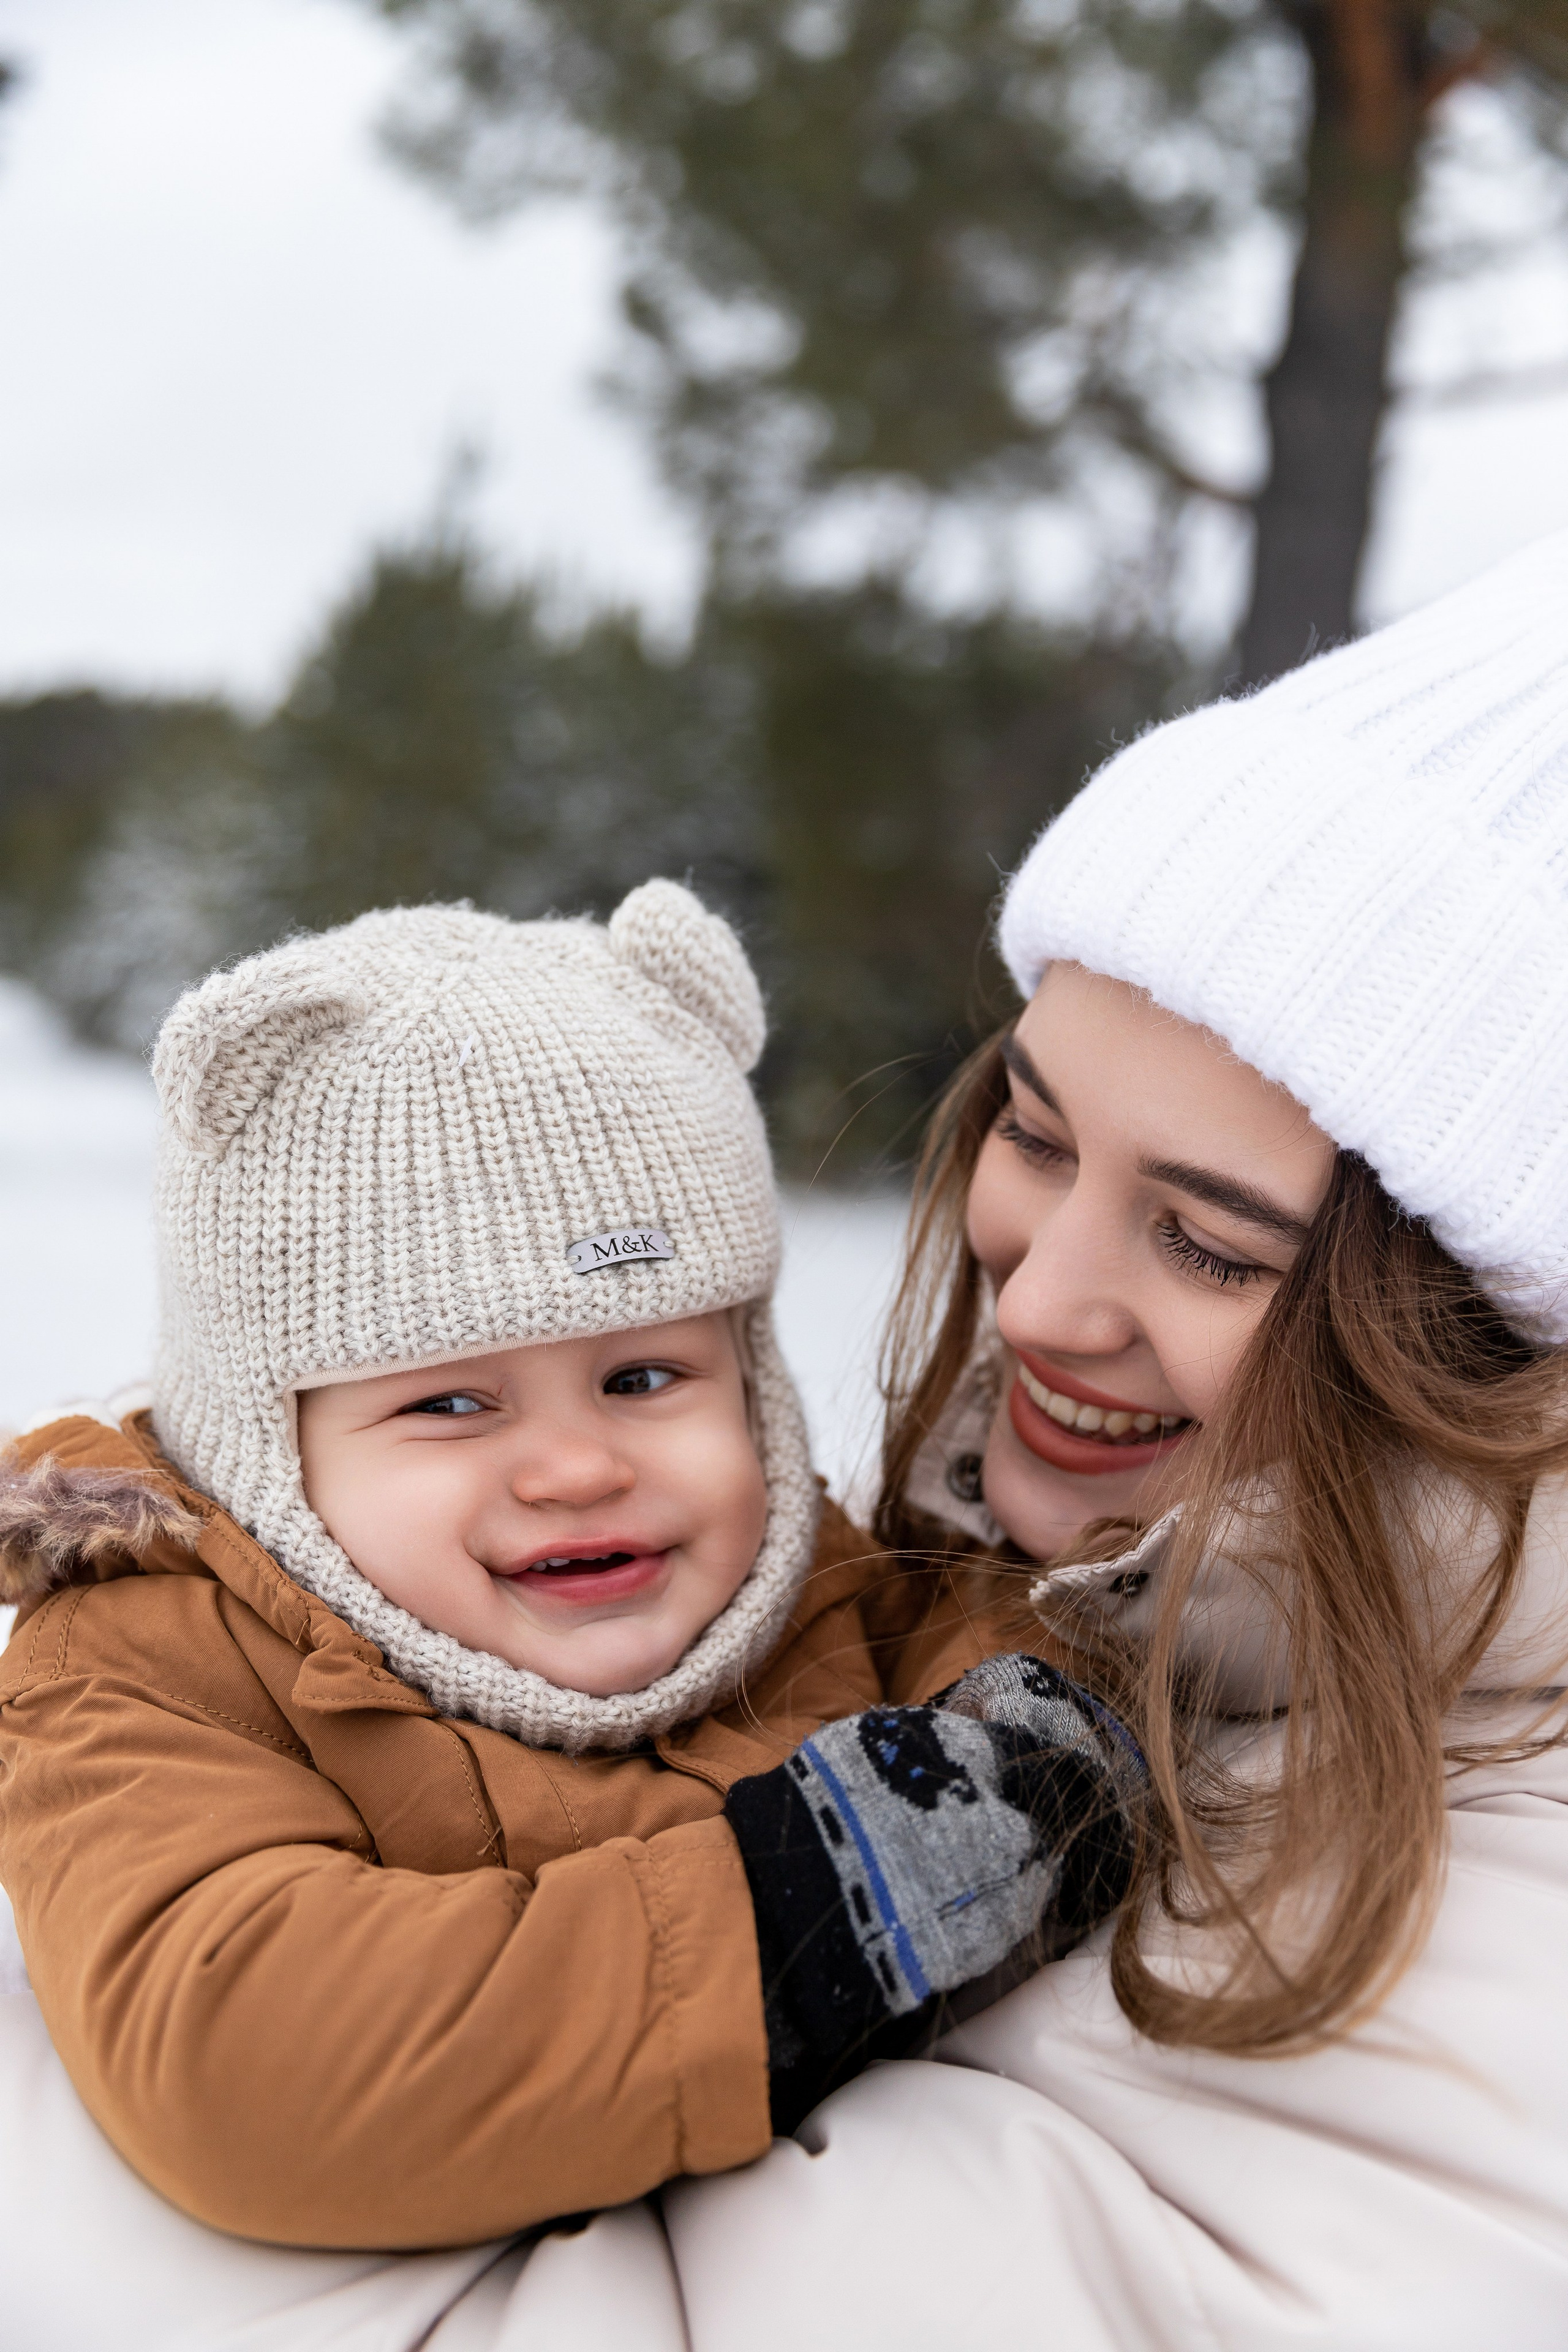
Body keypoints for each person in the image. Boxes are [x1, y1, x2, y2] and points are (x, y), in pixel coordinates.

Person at [544, 527, 1568, 2350]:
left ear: (1490, 1354)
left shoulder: (1496, 1913)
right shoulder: (992, 1606)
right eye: (1032, 1133)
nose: (1034, 1304)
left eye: (1210, 1243)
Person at [0, 878, 1141, 2255]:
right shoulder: (143, 1673)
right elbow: (243, 2050)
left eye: (644, 1375)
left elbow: (1049, 1655)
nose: (577, 1468)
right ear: (266, 1444)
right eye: (449, 1402)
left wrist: (1052, 1729)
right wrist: (805, 1912)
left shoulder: (833, 1591)